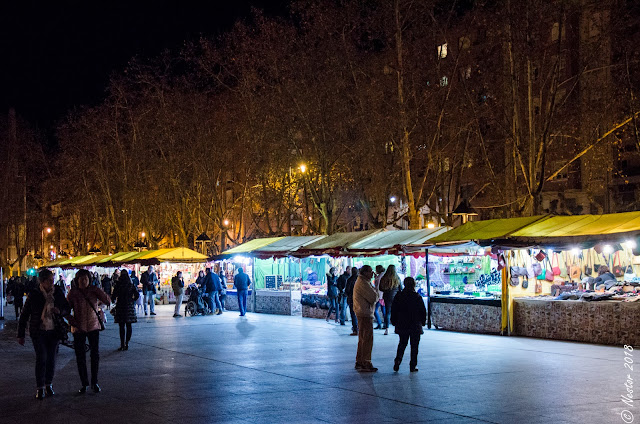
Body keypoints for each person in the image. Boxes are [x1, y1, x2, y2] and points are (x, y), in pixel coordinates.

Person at [17, 269, 70, 400]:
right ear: (42, 281)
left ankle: (49, 384)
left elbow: (67, 308)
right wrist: (21, 334)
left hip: (54, 330)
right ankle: (40, 387)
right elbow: (24, 314)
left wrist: (60, 311)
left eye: (53, 280)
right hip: (38, 330)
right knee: (41, 358)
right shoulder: (34, 294)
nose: (52, 283)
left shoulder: (57, 292)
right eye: (50, 280)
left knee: (51, 358)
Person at [67, 269, 111, 394]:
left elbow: (107, 300)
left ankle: (94, 382)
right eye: (81, 279)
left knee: (95, 355)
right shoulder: (73, 293)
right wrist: (71, 320)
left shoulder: (93, 290)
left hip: (93, 326)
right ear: (77, 280)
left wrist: (100, 293)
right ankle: (84, 383)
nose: (84, 281)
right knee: (80, 356)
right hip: (78, 328)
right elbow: (66, 308)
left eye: (86, 279)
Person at [391, 277, 426, 373]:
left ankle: (398, 360)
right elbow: (422, 311)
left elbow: (394, 310)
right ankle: (412, 365)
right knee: (414, 346)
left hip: (402, 324)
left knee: (402, 343)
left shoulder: (399, 296)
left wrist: (394, 321)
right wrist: (423, 322)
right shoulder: (417, 297)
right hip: (415, 325)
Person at [353, 265, 378, 372]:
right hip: (365, 313)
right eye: (370, 271)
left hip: (362, 312)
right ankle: (366, 361)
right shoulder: (363, 283)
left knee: (363, 338)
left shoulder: (363, 282)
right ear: (365, 273)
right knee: (367, 338)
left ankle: (360, 360)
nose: (372, 274)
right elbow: (374, 297)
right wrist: (376, 284)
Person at [111, 270, 139, 351]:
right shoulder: (130, 284)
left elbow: (114, 295)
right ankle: (127, 343)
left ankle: (122, 343)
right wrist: (132, 300)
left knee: (121, 326)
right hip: (129, 306)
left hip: (120, 306)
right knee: (129, 325)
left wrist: (114, 301)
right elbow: (136, 294)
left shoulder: (118, 284)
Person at [380, 264, 402, 335]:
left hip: (387, 296)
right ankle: (396, 328)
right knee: (397, 312)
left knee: (387, 312)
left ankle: (387, 329)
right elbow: (400, 288)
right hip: (396, 297)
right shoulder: (397, 278)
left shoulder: (384, 278)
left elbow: (380, 288)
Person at [345, 267, 359, 335]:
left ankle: (355, 329)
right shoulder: (360, 279)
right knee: (359, 314)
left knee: (353, 314)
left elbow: (347, 290)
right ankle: (359, 328)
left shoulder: (350, 280)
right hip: (359, 299)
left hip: (352, 299)